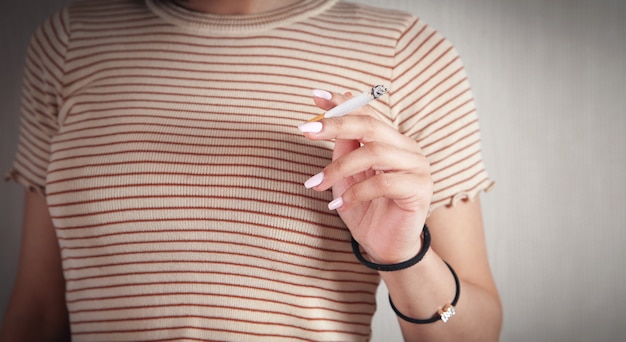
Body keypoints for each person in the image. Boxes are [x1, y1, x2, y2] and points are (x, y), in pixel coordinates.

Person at [0, 0, 502, 341]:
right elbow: (37, 312)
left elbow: (471, 331)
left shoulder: (405, 52)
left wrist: (402, 257)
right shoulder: (68, 41)